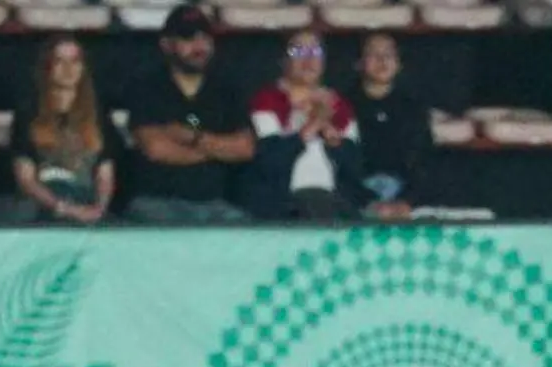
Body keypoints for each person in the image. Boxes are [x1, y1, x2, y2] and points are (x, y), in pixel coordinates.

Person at [124, 5, 254, 224]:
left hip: (215, 204)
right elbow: (155, 149)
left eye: (205, 38)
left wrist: (192, 138)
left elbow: (245, 148)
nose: (199, 46)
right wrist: (217, 150)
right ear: (166, 44)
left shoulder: (226, 89)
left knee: (243, 227)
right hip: (157, 203)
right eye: (188, 38)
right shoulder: (145, 87)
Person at [0, 36, 119, 224]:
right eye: (59, 61)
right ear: (47, 67)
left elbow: (105, 174)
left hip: (85, 199)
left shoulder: (99, 115)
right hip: (44, 203)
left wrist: (99, 208)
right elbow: (26, 180)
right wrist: (64, 208)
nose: (68, 69)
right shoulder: (29, 113)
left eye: (75, 61)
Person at [244, 31, 366, 221]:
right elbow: (270, 160)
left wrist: (329, 131)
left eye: (315, 51)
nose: (308, 58)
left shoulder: (339, 104)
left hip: (335, 199)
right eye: (298, 51)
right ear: (284, 60)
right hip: (283, 201)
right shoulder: (267, 100)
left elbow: (354, 165)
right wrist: (312, 125)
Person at [349, 33, 430, 220]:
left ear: (399, 63)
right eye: (373, 54)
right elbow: (343, 166)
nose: (382, 60)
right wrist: (368, 201)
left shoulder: (412, 107)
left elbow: (422, 161)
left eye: (389, 54)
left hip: (403, 195)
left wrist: (406, 201)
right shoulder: (345, 105)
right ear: (359, 62)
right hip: (358, 197)